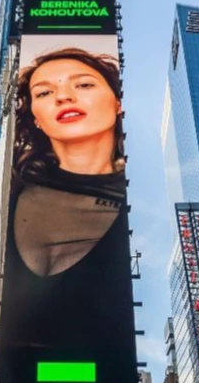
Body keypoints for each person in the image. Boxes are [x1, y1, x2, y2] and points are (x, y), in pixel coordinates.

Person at [11, 47, 125, 277]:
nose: (63, 97)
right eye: (44, 93)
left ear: (118, 102)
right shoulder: (12, 191)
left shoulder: (139, 196)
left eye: (84, 85)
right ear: (36, 120)